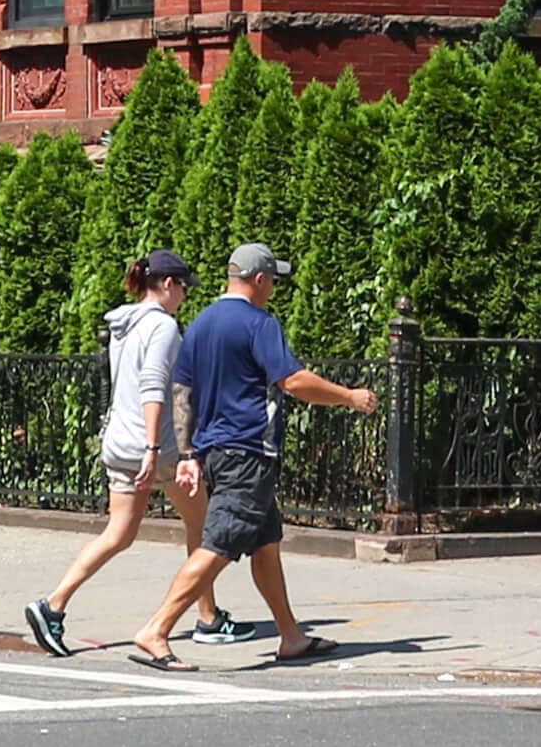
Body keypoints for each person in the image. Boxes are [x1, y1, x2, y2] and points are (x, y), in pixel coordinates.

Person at [129, 241, 374, 670]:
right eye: (273, 281)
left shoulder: (201, 323)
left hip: (217, 453)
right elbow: (293, 381)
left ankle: (291, 637)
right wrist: (349, 396)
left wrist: (189, 453)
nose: (274, 288)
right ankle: (157, 629)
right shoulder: (259, 324)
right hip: (248, 451)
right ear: (259, 279)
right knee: (218, 545)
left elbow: (181, 393)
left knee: (265, 544)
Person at [26, 250, 241, 655]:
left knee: (118, 534)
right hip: (157, 450)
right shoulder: (161, 327)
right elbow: (153, 386)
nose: (184, 298)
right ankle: (208, 619)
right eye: (182, 289)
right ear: (167, 284)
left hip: (119, 444)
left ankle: (52, 606)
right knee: (205, 528)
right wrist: (154, 447)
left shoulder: (123, 325)